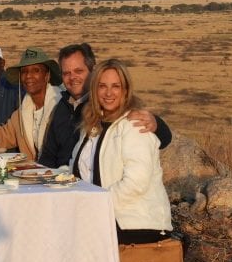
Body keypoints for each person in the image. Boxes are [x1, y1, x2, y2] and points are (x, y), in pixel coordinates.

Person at [71, 59, 173, 244]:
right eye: (102, 86)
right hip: (103, 216)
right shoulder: (93, 125)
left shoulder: (135, 124)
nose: (108, 93)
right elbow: (76, 168)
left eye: (115, 86)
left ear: (125, 90)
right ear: (94, 90)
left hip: (133, 222)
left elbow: (136, 182)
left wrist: (98, 206)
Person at [38, 43, 173, 168]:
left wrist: (155, 123)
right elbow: (48, 154)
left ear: (93, 70)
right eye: (66, 73)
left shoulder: (103, 104)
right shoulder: (62, 106)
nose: (72, 77)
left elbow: (162, 137)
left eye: (79, 71)